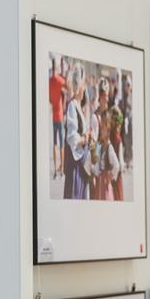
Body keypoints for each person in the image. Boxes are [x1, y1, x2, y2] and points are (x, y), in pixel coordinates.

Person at [63, 64, 91, 200]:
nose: (85, 84)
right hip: (75, 167)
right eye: (84, 81)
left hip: (82, 167)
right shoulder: (72, 106)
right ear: (80, 84)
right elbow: (72, 137)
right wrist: (84, 139)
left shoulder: (79, 106)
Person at [48, 57, 67, 180]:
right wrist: (64, 102)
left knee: (55, 143)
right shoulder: (60, 80)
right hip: (60, 115)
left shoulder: (50, 81)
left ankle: (55, 168)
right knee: (62, 143)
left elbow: (50, 99)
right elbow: (66, 89)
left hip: (54, 115)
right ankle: (62, 170)